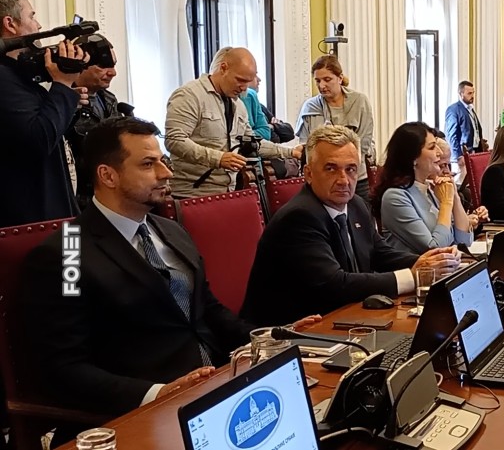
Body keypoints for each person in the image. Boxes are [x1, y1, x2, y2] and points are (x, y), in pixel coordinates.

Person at [21, 117, 322, 417]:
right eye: (148, 164)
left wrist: (274, 337)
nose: (166, 172)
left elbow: (209, 311)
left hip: (219, 384)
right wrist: (156, 393)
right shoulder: (67, 252)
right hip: (145, 408)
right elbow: (64, 367)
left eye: (163, 161)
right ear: (107, 175)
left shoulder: (170, 230)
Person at [240, 125, 461, 324]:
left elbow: (379, 253)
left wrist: (434, 262)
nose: (344, 180)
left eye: (351, 169)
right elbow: (335, 284)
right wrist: (413, 277)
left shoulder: (355, 204)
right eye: (331, 169)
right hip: (293, 332)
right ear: (308, 174)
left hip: (345, 317)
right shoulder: (299, 217)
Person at [0, 0, 90, 227]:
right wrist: (63, 85)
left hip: (59, 212)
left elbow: (46, 132)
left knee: (74, 252)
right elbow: (38, 139)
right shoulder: (3, 78)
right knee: (70, 253)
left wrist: (67, 101)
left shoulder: (18, 76)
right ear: (10, 23)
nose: (38, 25)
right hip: (34, 224)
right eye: (32, 16)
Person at [165, 47, 301, 198]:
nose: (244, 88)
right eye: (240, 80)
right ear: (223, 68)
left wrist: (291, 152)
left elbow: (252, 144)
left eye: (247, 82)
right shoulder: (189, 95)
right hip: (191, 195)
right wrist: (218, 158)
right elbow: (174, 140)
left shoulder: (238, 105)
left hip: (227, 193)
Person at [374, 122, 473, 254]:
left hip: (448, 265)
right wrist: (446, 203)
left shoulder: (430, 188)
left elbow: (464, 241)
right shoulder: (395, 197)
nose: (439, 152)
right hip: (417, 267)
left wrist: (454, 195)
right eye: (432, 147)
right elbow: (434, 249)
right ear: (413, 158)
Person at [295, 55, 375, 200]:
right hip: (323, 181)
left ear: (340, 78)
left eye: (327, 79)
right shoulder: (310, 107)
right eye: (317, 81)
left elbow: (364, 142)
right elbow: (307, 147)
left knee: (360, 213)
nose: (321, 86)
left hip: (355, 178)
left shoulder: (359, 101)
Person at [65, 34, 129, 210]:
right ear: (81, 65)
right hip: (75, 201)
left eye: (113, 65)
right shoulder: (61, 102)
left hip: (109, 196)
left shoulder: (109, 99)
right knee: (73, 233)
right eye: (103, 66)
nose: (113, 72)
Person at [434, 136, 487, 231]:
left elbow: (462, 232)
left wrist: (475, 218)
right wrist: (465, 222)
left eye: (448, 165)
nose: (447, 171)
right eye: (442, 165)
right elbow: (441, 235)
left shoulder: (451, 190)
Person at [444, 81, 485, 162]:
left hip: (475, 152)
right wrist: (458, 156)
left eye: (473, 93)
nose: (472, 96)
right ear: (461, 94)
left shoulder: (470, 109)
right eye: (469, 93)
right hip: (462, 154)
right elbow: (452, 135)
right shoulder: (454, 109)